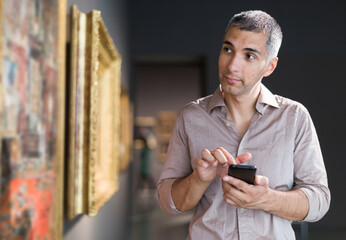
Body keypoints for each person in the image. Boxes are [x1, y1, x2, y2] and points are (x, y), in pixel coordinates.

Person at [157, 10, 330, 239]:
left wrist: (266, 198)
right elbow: (169, 204)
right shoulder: (190, 117)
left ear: (270, 66)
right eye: (228, 50)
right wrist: (199, 179)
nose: (232, 66)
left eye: (249, 56)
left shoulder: (295, 117)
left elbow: (319, 201)